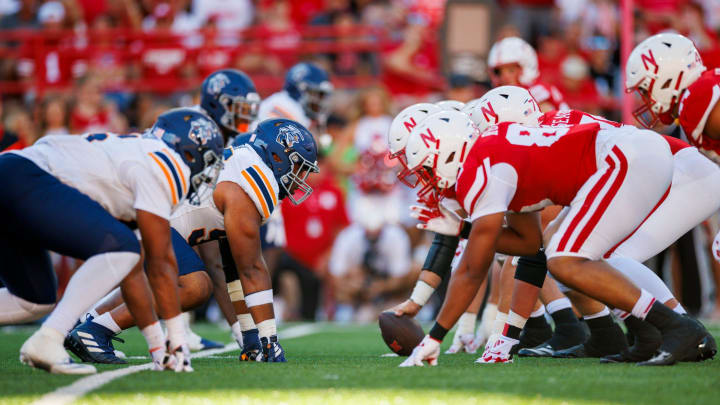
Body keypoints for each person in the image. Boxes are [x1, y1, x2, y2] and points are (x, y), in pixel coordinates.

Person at [398, 110, 708, 367]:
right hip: (627, 156)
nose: (427, 181)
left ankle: (677, 326)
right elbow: (528, 243)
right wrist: (461, 230)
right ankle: (647, 334)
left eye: (426, 170)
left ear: (450, 153)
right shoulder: (495, 154)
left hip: (625, 158)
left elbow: (471, 269)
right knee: (556, 248)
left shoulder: (480, 169)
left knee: (566, 259)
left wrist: (434, 337)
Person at [0, 108, 224, 374]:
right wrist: (177, 342)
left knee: (34, 301)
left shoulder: (135, 160)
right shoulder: (165, 164)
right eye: (207, 159)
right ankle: (49, 338)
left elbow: (133, 273)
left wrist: (157, 349)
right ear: (187, 151)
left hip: (15, 175)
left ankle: (50, 336)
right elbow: (161, 263)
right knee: (124, 248)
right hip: (25, 177)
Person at [488, 36, 568, 112]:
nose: (504, 77)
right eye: (498, 72)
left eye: (511, 70)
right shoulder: (495, 97)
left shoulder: (538, 92)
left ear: (525, 67)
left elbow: (546, 114)